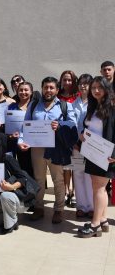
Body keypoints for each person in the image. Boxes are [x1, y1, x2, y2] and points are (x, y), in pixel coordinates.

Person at [18, 77, 77, 224]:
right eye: (46, 87)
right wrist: (21, 140)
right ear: (42, 88)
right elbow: (25, 125)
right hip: (37, 148)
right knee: (38, 178)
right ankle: (39, 207)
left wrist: (60, 125)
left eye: (51, 88)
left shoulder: (64, 106)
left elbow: (73, 124)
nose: (48, 90)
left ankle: (59, 209)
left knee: (58, 179)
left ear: (57, 90)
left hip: (56, 148)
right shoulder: (33, 105)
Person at [77, 76, 115, 238]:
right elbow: (91, 129)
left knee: (99, 188)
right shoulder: (92, 107)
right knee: (99, 188)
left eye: (100, 87)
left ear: (107, 89)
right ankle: (103, 219)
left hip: (107, 155)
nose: (96, 91)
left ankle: (95, 225)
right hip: (92, 152)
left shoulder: (112, 107)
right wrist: (82, 136)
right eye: (93, 88)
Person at [72, 74, 94, 218]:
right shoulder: (73, 104)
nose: (83, 86)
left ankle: (91, 207)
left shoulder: (95, 103)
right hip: (76, 145)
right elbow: (71, 124)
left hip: (92, 145)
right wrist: (74, 141)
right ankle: (81, 206)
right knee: (78, 173)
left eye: (86, 83)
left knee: (89, 176)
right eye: (80, 83)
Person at [58, 70, 79, 208]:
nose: (67, 82)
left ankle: (75, 192)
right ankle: (66, 191)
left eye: (70, 80)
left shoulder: (78, 96)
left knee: (76, 166)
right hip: (63, 136)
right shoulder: (58, 96)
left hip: (77, 135)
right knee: (66, 166)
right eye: (64, 80)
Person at [7, 82, 34, 179]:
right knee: (21, 172)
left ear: (31, 92)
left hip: (34, 145)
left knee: (35, 172)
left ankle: (37, 193)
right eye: (21, 90)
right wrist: (13, 138)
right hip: (17, 145)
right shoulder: (11, 107)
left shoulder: (35, 107)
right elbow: (8, 129)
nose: (23, 92)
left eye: (26, 90)